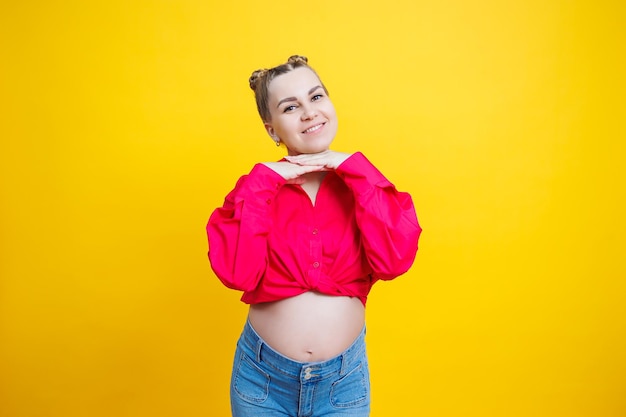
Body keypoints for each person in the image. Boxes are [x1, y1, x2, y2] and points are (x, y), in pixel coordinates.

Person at [206, 55, 421, 417]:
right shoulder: (254, 191)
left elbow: (394, 261)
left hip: (342, 382)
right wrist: (263, 180)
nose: (309, 113)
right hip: (262, 382)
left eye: (316, 97)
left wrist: (354, 168)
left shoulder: (363, 183)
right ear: (272, 129)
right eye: (291, 107)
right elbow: (237, 274)